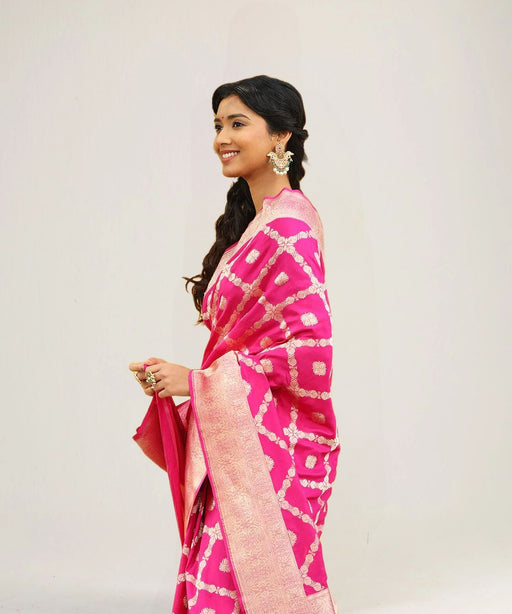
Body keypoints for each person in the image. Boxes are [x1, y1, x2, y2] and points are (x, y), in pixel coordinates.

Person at [129, 75, 340, 614]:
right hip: (237, 433)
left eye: (237, 124)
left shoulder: (289, 227)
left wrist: (197, 383)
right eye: (218, 125)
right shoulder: (254, 226)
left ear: (281, 136)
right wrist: (189, 381)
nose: (222, 137)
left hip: (273, 443)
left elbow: (307, 354)